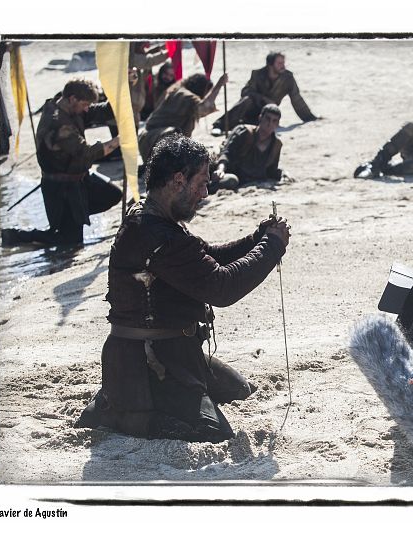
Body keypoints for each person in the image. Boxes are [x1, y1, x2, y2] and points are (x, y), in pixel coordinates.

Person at [75, 134, 291, 442]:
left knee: (239, 390)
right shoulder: (153, 233)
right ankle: (117, 411)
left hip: (177, 350)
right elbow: (221, 287)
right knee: (213, 433)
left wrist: (258, 239)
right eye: (201, 184)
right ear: (178, 181)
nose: (205, 193)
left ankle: (127, 401)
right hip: (145, 359)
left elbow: (206, 258)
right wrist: (271, 247)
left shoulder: (157, 219)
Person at [1, 78, 123, 247]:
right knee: (69, 241)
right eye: (85, 104)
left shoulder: (68, 106)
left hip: (79, 179)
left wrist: (126, 87)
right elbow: (85, 153)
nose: (86, 108)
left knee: (112, 194)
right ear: (73, 99)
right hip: (61, 189)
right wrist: (118, 141)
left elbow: (101, 112)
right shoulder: (58, 123)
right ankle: (13, 236)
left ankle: (74, 218)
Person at [211, 51, 318, 135]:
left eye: (283, 63)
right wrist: (263, 98)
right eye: (279, 63)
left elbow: (296, 98)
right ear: (270, 65)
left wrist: (310, 118)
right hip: (251, 109)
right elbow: (245, 91)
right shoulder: (258, 74)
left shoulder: (288, 78)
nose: (283, 66)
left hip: (268, 115)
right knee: (247, 100)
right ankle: (219, 126)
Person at [138, 72, 228, 163]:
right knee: (174, 135)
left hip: (151, 141)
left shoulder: (184, 96)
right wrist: (219, 84)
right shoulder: (184, 95)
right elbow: (205, 107)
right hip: (151, 141)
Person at [211, 104, 285, 191]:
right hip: (232, 174)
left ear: (277, 124)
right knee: (231, 180)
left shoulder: (276, 144)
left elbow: (271, 170)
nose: (270, 124)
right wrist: (220, 170)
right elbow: (226, 154)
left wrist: (282, 174)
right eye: (267, 119)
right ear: (260, 118)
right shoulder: (244, 132)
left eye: (274, 121)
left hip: (253, 181)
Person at [129, 41, 169, 126]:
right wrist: (169, 53)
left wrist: (163, 47)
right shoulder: (129, 57)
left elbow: (145, 54)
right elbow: (148, 60)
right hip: (126, 112)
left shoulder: (133, 55)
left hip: (134, 111)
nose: (145, 48)